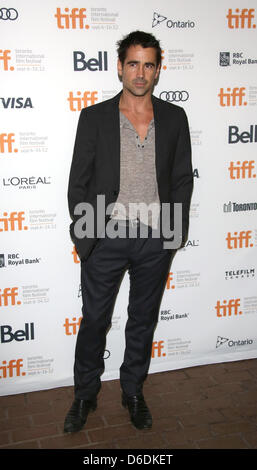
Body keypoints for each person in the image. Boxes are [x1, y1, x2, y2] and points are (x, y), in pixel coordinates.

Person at [64, 30, 193, 433]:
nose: (140, 73)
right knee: (95, 320)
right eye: (133, 63)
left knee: (142, 320)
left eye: (148, 64)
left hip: (155, 239)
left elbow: (182, 179)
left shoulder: (175, 118)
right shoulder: (94, 117)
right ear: (119, 67)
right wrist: (88, 236)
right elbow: (78, 182)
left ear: (158, 69)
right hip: (105, 237)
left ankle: (132, 390)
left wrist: (173, 235)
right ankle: (84, 394)